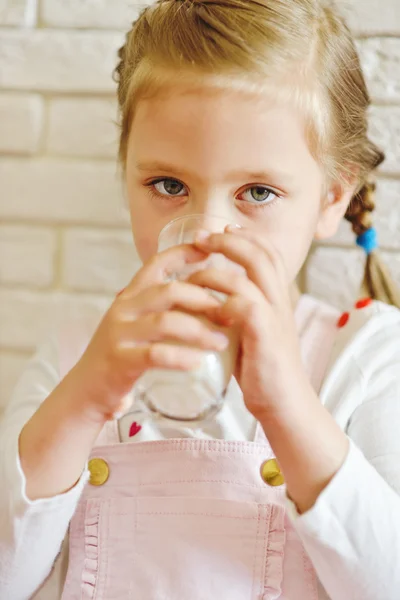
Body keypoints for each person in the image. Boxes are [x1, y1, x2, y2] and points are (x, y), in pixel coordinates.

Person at [1, 0, 400, 598]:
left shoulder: (363, 356)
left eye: (257, 192)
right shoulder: (76, 351)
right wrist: (86, 397)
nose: (208, 232)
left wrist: (289, 407)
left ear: (330, 200)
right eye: (168, 185)